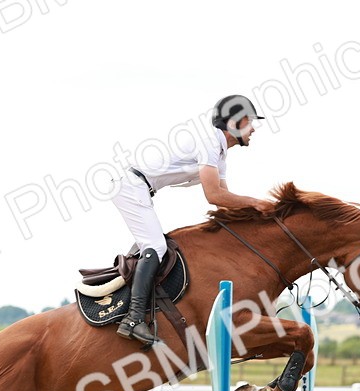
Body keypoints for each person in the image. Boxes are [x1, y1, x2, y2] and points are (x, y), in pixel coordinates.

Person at [110, 94, 276, 345]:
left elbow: (225, 199)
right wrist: (257, 203)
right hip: (130, 185)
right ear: (234, 123)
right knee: (155, 247)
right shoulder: (209, 142)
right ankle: (133, 319)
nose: (253, 128)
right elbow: (214, 195)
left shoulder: (220, 153)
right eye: (250, 121)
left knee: (156, 245)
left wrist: (258, 219)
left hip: (139, 186)